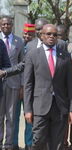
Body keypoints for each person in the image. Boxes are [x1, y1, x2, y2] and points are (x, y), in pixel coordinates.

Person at [23, 24, 72, 150]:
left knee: (57, 143)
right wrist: (28, 110)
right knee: (38, 141)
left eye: (55, 34)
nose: (52, 36)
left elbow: (70, 85)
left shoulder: (65, 56)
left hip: (60, 107)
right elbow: (28, 85)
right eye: (48, 34)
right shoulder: (32, 55)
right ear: (41, 36)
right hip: (40, 107)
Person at [0, 16, 24, 150]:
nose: (6, 26)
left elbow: (23, 64)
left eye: (8, 24)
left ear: (12, 25)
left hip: (14, 84)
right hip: (0, 85)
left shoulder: (19, 41)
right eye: (3, 24)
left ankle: (8, 145)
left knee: (11, 116)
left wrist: (22, 85)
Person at [13, 23, 35, 150]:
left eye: (29, 34)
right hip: (16, 87)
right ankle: (14, 142)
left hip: (30, 89)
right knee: (14, 117)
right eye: (25, 34)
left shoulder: (37, 48)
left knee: (29, 117)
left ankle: (29, 143)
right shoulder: (18, 46)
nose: (27, 36)